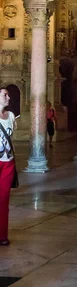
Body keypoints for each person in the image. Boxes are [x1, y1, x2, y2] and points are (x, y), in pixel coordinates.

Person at [0, 87, 16, 246]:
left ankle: (2, 235)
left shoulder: (11, 116)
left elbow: (11, 138)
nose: (8, 98)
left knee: (3, 199)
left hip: (8, 163)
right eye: (5, 95)